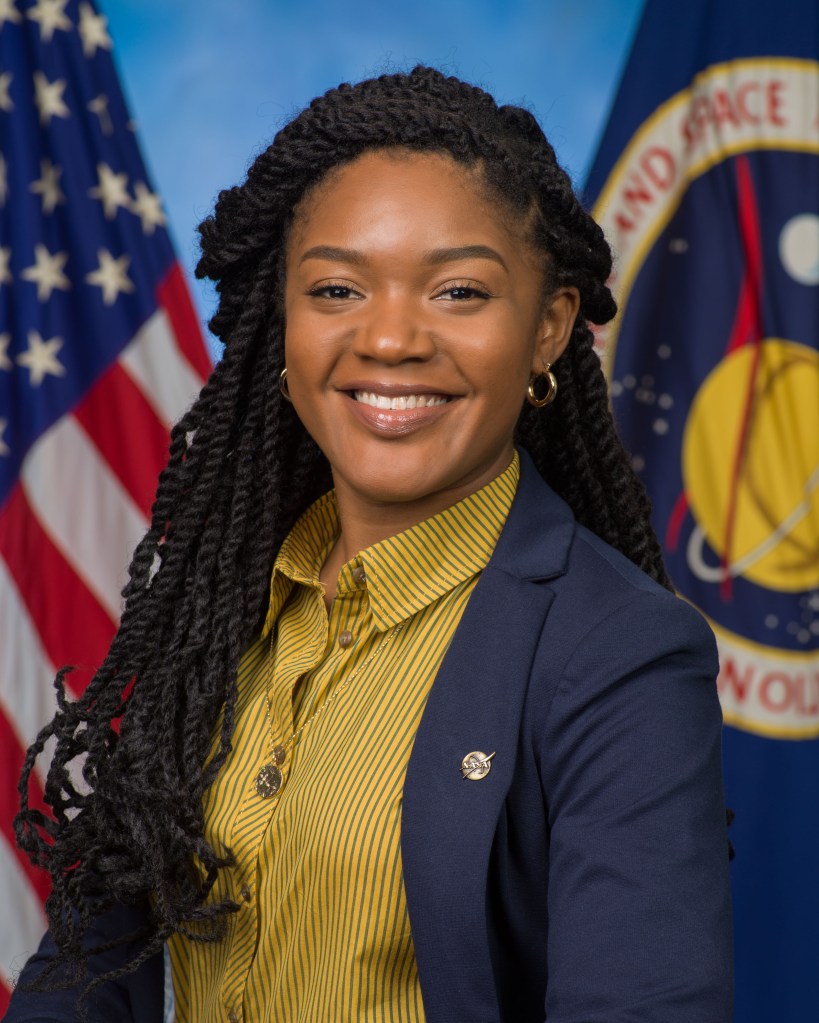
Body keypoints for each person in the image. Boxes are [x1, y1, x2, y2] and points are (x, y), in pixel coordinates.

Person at [5, 66, 732, 1023]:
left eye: (459, 290)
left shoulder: (617, 654)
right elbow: (84, 980)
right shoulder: (217, 616)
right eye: (338, 287)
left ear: (550, 327)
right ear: (282, 323)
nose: (390, 338)